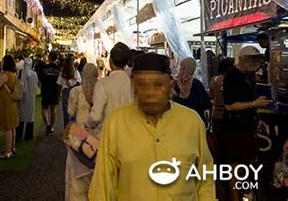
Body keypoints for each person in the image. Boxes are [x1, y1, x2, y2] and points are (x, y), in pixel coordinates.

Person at [89, 53, 215, 200]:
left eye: (157, 85)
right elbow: (103, 185)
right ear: (133, 87)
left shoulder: (192, 122)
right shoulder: (116, 122)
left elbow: (205, 178)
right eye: (141, 85)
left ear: (170, 86)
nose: (148, 93)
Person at [220, 46, 272, 201]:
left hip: (247, 126)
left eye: (255, 58)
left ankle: (245, 194)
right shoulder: (231, 75)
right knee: (235, 165)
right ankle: (235, 197)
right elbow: (230, 105)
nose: (253, 62)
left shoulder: (249, 75)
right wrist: (255, 104)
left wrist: (256, 118)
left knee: (246, 162)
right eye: (250, 58)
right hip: (234, 128)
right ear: (241, 59)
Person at [66, 63, 99, 200]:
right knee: (96, 173)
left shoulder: (76, 91)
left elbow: (70, 111)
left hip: (79, 135)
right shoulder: (101, 89)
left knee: (76, 178)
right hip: (97, 135)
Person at [85, 42, 133, 129]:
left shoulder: (102, 84)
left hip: (107, 132)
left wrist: (87, 125)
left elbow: (96, 116)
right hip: (128, 132)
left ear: (110, 61)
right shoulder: (133, 83)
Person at [172, 57, 211, 125]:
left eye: (181, 67)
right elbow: (205, 104)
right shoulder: (197, 84)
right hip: (194, 122)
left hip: (180, 123)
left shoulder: (174, 84)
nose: (179, 69)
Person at [0, 55, 20, 159]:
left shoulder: (5, 75)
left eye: (2, 61)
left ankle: (8, 151)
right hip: (12, 101)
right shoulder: (13, 74)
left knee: (7, 127)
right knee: (12, 126)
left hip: (5, 102)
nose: (1, 62)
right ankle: (12, 148)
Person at [209, 58, 234, 138]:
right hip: (229, 115)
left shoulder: (214, 80)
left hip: (216, 114)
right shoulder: (233, 81)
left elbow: (210, 95)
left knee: (216, 141)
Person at [17, 58, 39, 141]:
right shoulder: (34, 74)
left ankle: (19, 135)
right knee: (30, 115)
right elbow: (36, 86)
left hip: (23, 97)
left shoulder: (21, 72)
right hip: (31, 97)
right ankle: (28, 136)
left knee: (21, 115)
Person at [40, 51, 61, 134]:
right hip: (54, 90)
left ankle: (47, 124)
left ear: (49, 58)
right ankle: (51, 126)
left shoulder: (44, 68)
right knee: (53, 109)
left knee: (44, 108)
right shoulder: (58, 69)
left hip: (45, 89)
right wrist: (59, 93)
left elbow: (40, 79)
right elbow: (60, 82)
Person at [58, 57, 82, 128]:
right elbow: (79, 82)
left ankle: (67, 128)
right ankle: (74, 127)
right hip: (74, 91)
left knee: (66, 111)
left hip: (65, 91)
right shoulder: (75, 72)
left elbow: (59, 83)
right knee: (74, 109)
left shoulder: (62, 72)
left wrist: (59, 93)